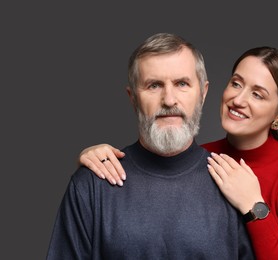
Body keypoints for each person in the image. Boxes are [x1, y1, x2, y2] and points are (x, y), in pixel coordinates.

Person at [78, 44, 278, 259]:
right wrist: (95, 156)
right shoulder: (202, 159)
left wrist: (254, 205)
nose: (238, 99)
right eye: (236, 83)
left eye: (257, 95)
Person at [46, 33, 255, 259]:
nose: (168, 100)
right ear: (133, 97)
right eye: (154, 85)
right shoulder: (92, 185)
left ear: (203, 93)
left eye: (182, 83)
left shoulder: (235, 186)